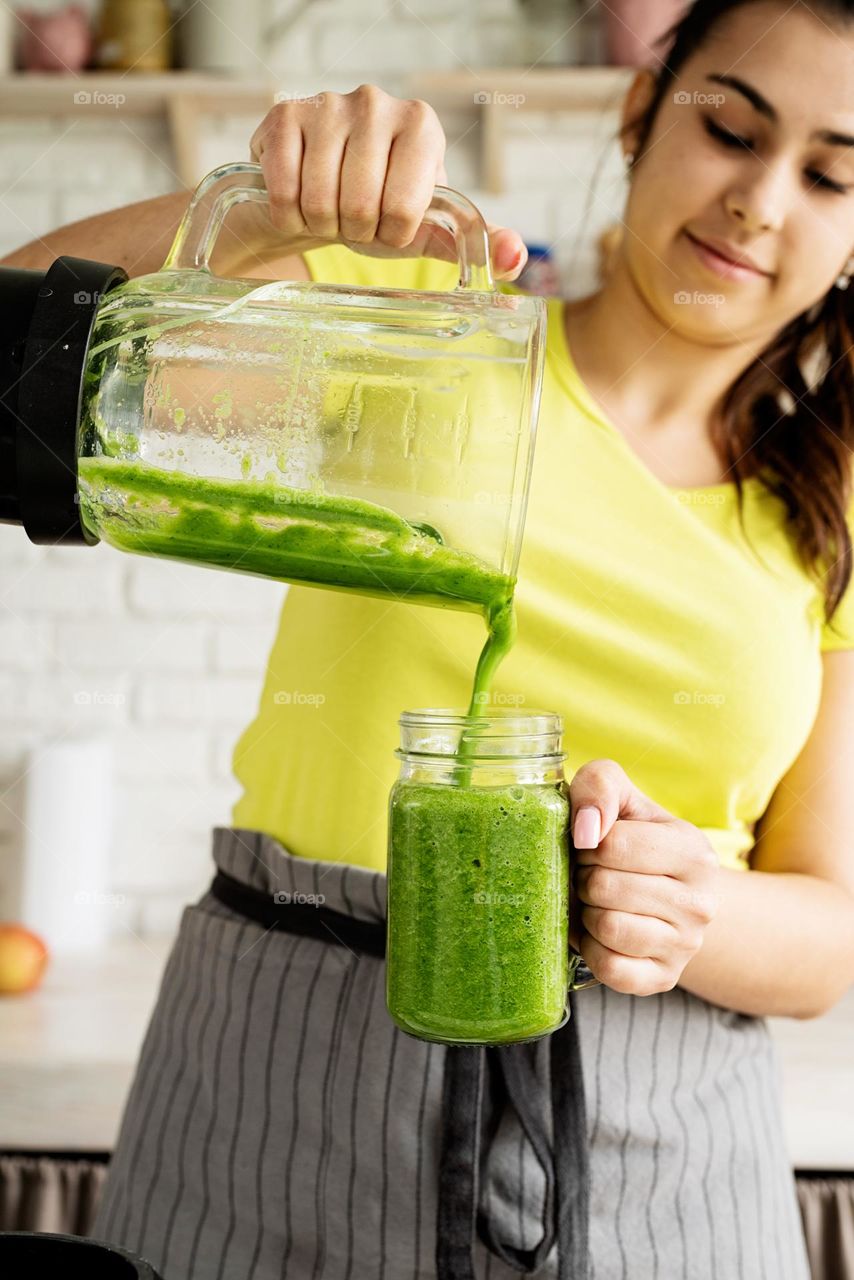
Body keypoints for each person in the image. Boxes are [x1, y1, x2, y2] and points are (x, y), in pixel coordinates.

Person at [6, 1, 854, 1275]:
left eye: (830, 173)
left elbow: (827, 926)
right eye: (728, 129)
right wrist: (268, 213)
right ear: (637, 115)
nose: (758, 201)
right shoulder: (411, 321)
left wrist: (696, 906)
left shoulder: (833, 512)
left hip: (651, 1142)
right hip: (277, 1081)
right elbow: (18, 364)